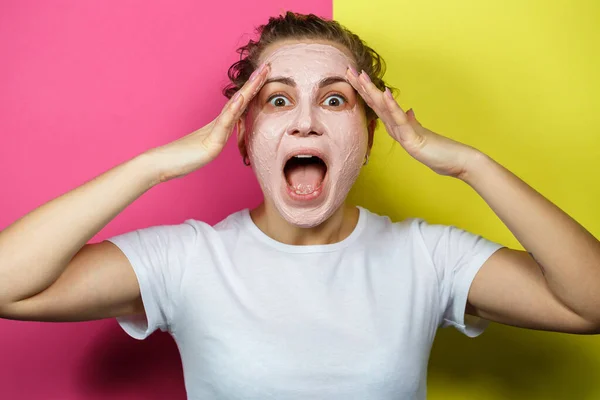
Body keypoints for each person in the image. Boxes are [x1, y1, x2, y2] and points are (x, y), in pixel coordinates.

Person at [0, 11, 599, 400]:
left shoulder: (427, 256)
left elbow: (591, 303)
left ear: (368, 137)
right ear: (243, 133)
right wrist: (156, 164)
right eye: (278, 101)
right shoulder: (185, 259)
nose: (307, 122)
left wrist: (470, 164)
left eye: (335, 102)